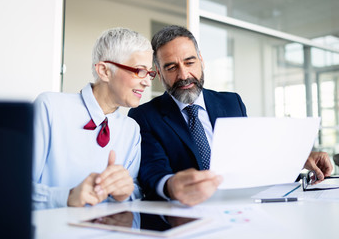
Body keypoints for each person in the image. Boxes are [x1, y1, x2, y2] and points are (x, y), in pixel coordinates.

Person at [128, 25, 333, 206]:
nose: (183, 75)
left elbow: (254, 154)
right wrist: (171, 186)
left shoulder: (231, 102)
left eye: (190, 62)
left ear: (201, 60)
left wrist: (298, 159)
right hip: (187, 214)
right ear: (159, 72)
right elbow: (152, 172)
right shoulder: (143, 116)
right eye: (171, 67)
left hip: (242, 206)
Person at [32, 27, 156, 209]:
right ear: (105, 71)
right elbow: (13, 187)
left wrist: (124, 193)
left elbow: (134, 192)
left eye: (150, 73)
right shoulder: (49, 107)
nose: (147, 82)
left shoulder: (131, 129)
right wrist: (67, 197)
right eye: (139, 71)